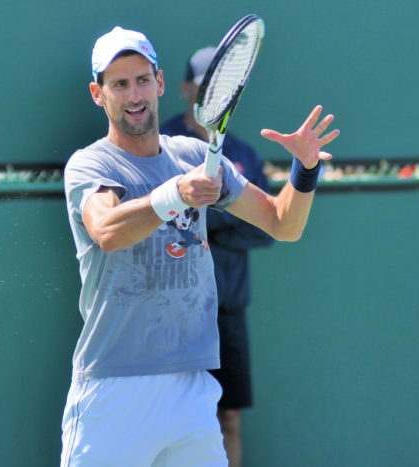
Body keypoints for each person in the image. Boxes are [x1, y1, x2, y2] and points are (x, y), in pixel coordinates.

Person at [61, 26, 339, 467]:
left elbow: (282, 223)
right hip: (116, 386)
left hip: (192, 387)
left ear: (161, 83)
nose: (134, 94)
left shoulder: (193, 155)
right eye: (119, 84)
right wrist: (177, 195)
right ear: (99, 93)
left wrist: (304, 170)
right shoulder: (91, 164)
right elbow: (108, 231)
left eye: (142, 80)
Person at [160, 46, 273, 467]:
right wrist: (220, 211)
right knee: (168, 422)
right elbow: (161, 221)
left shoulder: (243, 155)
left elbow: (266, 227)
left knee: (227, 421)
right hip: (170, 312)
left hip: (227, 308)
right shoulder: (161, 146)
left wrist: (203, 216)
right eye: (206, 84)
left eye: (225, 86)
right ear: (187, 88)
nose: (215, 93)